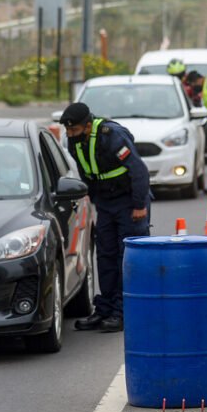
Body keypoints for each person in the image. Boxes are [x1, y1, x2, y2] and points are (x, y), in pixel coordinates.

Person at [60, 102, 151, 332]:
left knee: (125, 257)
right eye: (68, 131)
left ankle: (122, 311)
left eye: (74, 130)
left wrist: (139, 205)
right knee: (105, 255)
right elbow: (86, 173)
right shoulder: (75, 141)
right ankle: (104, 309)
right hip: (106, 202)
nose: (70, 135)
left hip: (130, 201)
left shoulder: (112, 136)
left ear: (88, 126)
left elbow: (138, 171)